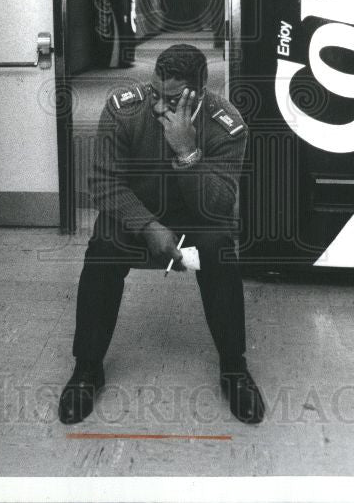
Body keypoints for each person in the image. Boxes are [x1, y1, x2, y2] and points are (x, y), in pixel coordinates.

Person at [59, 43, 265, 425]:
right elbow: (103, 184)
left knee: (220, 249)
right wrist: (148, 226)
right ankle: (87, 369)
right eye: (155, 93)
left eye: (172, 99)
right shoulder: (124, 109)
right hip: (133, 211)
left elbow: (219, 206)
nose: (158, 106)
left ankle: (234, 368)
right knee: (103, 248)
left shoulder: (226, 124)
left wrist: (187, 152)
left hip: (196, 216)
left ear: (199, 93)